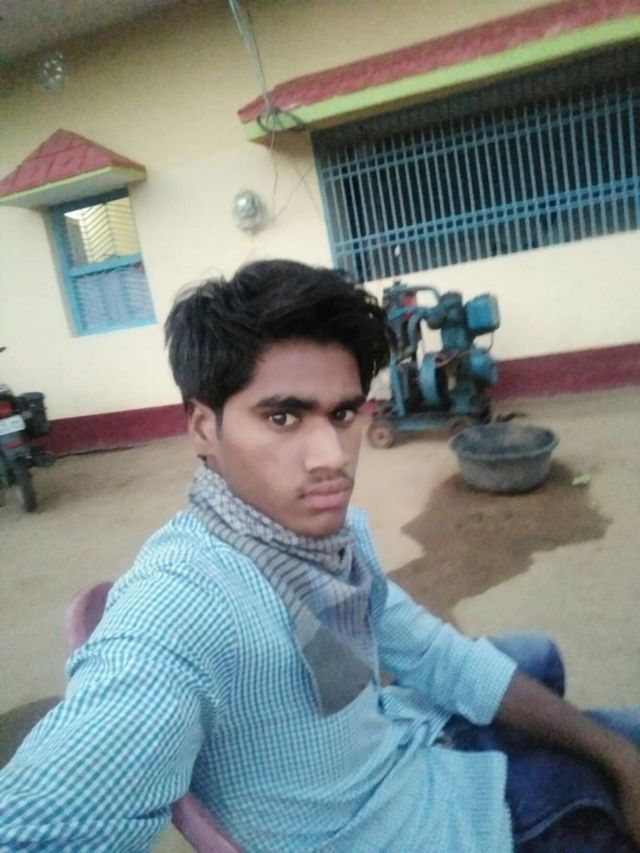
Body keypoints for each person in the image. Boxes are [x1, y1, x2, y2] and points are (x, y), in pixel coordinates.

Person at [0, 259, 638, 852]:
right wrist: (615, 761)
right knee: (589, 766)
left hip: (396, 738)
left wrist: (619, 757)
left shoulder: (331, 543)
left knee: (541, 661)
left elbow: (431, 651)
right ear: (203, 427)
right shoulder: (184, 600)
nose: (333, 456)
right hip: (406, 823)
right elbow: (50, 817)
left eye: (343, 413)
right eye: (283, 418)